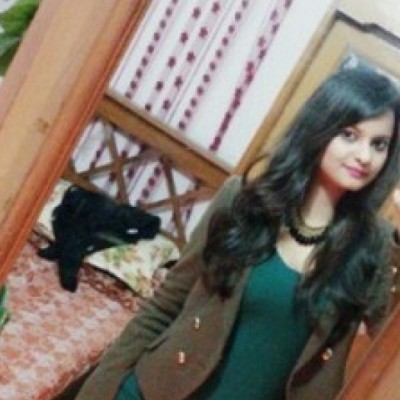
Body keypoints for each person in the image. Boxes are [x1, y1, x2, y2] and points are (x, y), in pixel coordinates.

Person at [75, 66, 400, 400]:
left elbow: (388, 339)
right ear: (320, 128)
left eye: (379, 144)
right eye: (349, 135)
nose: (365, 156)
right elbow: (164, 307)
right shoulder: (245, 202)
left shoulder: (373, 245)